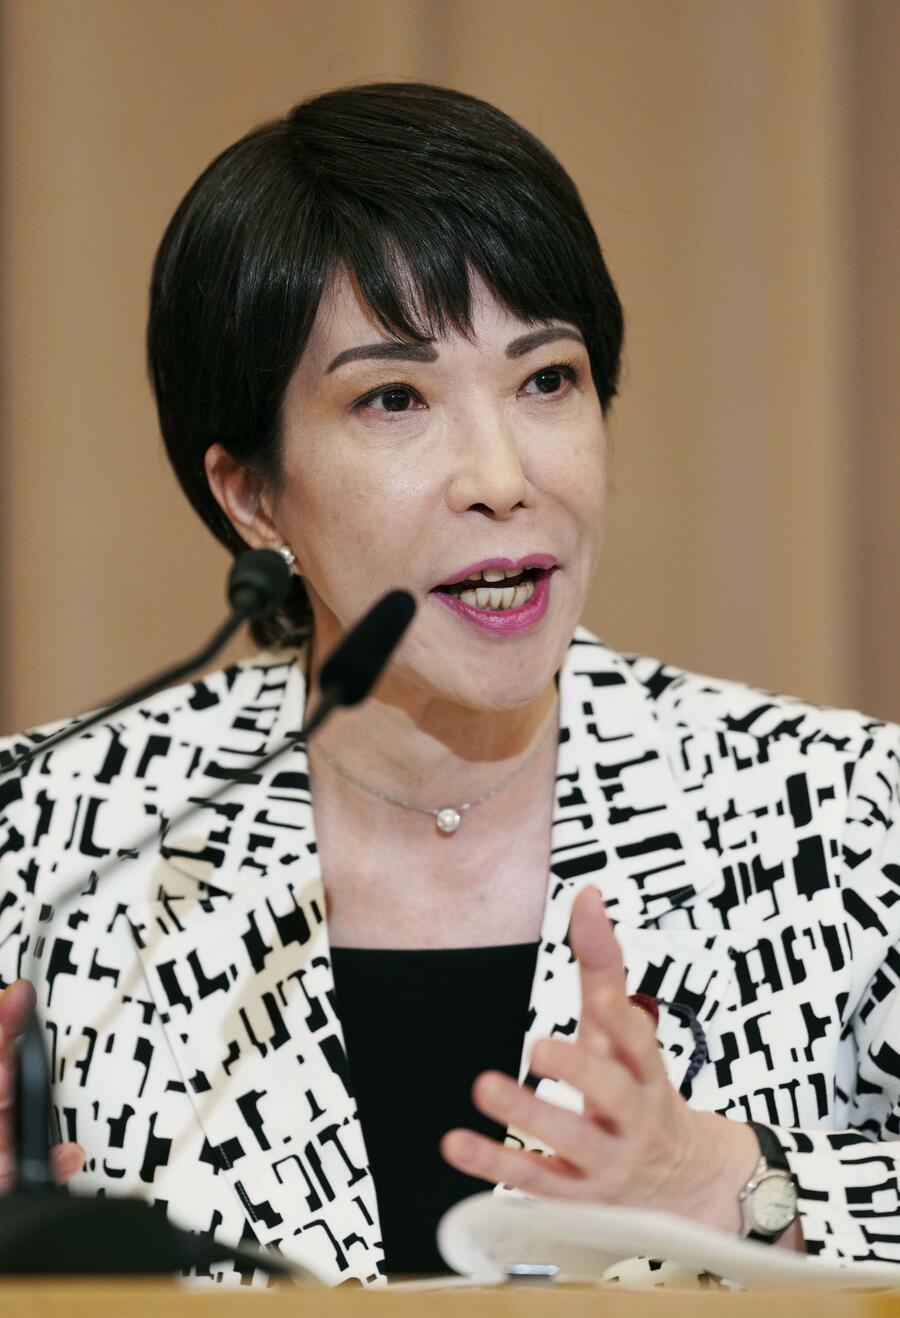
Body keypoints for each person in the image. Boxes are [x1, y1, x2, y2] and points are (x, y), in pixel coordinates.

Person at [0, 82, 898, 1288]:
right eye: (394, 398)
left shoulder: (842, 818)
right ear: (252, 495)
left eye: (546, 380)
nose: (501, 476)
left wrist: (737, 1181)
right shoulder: (52, 842)